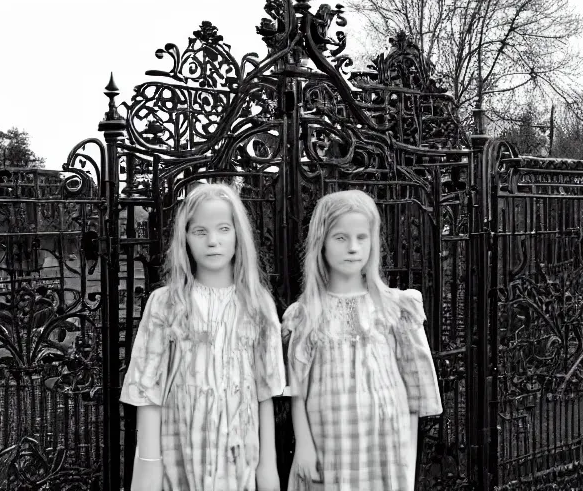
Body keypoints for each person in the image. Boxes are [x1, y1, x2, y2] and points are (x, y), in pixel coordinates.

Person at [120, 182, 285, 491]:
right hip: (178, 452)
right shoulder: (166, 303)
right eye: (200, 232)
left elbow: (267, 392)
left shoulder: (258, 304)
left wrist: (268, 467)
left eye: (223, 229)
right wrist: (149, 466)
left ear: (238, 235)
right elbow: (147, 389)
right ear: (185, 237)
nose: (213, 241)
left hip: (240, 457)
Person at [282, 190, 443, 490]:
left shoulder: (396, 309)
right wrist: (303, 445)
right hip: (326, 445)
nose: (353, 247)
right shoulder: (306, 314)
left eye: (362, 237)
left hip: (385, 450)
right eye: (341, 238)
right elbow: (297, 391)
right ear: (322, 243)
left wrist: (406, 467)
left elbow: (413, 395)